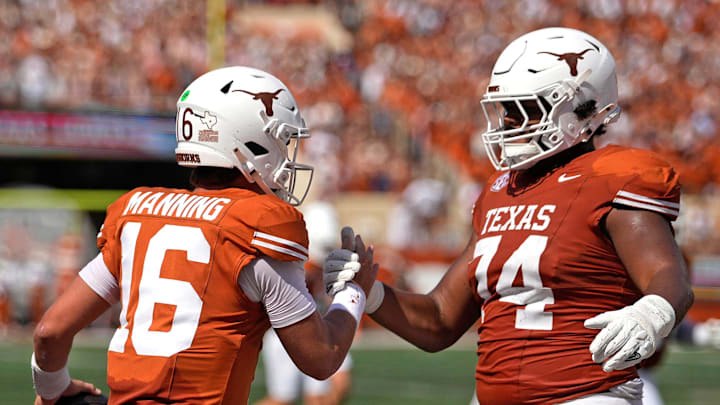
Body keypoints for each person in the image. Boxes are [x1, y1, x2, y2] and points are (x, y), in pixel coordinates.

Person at [323, 27, 694, 404]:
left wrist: (652, 313)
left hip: (585, 395)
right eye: (507, 111)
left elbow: (668, 275)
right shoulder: (501, 191)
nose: (511, 125)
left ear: (584, 108)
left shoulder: (613, 175)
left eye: (528, 109)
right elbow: (439, 320)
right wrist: (371, 293)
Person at [31, 66, 377, 405]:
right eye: (281, 141)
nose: (286, 157)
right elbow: (321, 358)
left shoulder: (137, 216)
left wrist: (54, 389)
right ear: (248, 143)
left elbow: (50, 333)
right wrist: (354, 292)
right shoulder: (257, 227)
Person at [254, 201, 354, 405]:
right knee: (282, 400)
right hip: (289, 332)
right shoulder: (294, 263)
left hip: (318, 329)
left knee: (334, 388)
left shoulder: (319, 263)